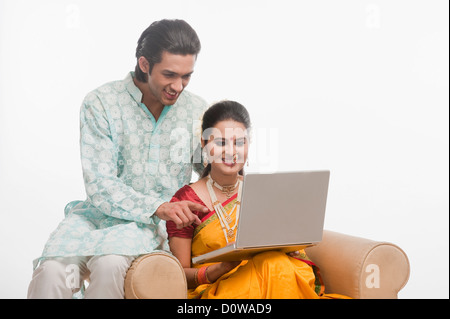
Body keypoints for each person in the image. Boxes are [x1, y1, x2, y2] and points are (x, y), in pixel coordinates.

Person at [27, 19, 210, 299]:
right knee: (52, 272)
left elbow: (211, 173)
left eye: (186, 76)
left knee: (110, 265)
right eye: (170, 74)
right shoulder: (101, 102)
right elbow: (100, 185)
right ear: (145, 64)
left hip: (146, 228)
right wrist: (159, 206)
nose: (178, 86)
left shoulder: (197, 110)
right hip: (93, 218)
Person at [166, 100, 350, 299]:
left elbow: (283, 244)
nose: (231, 151)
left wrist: (293, 250)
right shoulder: (186, 200)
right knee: (273, 267)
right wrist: (217, 269)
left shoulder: (264, 192)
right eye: (220, 142)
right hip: (223, 287)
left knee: (274, 264)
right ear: (204, 143)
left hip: (275, 275)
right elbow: (179, 274)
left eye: (239, 142)